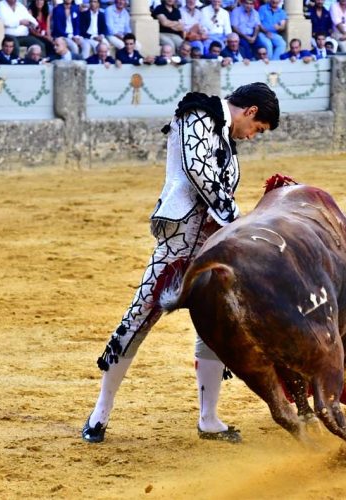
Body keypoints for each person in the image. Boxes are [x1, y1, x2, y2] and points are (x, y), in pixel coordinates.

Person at [83, 82, 280, 445]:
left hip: (211, 248)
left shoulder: (223, 135)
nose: (253, 136)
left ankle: (209, 418)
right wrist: (238, 221)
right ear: (250, 111)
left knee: (216, 323)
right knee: (139, 317)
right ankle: (100, 413)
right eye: (258, 128)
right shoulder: (197, 115)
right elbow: (199, 173)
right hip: (178, 245)